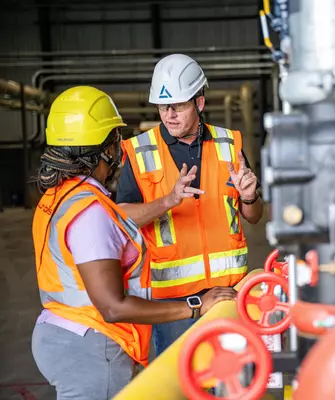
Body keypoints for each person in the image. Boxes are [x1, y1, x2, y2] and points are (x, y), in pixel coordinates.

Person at [31, 86, 236, 400]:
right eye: (115, 141)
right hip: (91, 344)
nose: (119, 150)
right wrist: (196, 306)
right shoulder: (90, 212)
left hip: (59, 331)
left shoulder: (58, 197)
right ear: (105, 150)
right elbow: (112, 306)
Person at [116, 53, 264, 355]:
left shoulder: (228, 144)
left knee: (227, 380)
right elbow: (123, 218)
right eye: (162, 106)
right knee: (178, 383)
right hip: (174, 303)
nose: (169, 114)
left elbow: (253, 216)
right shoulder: (140, 151)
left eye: (178, 105)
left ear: (199, 102)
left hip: (228, 293)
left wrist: (249, 195)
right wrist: (169, 200)